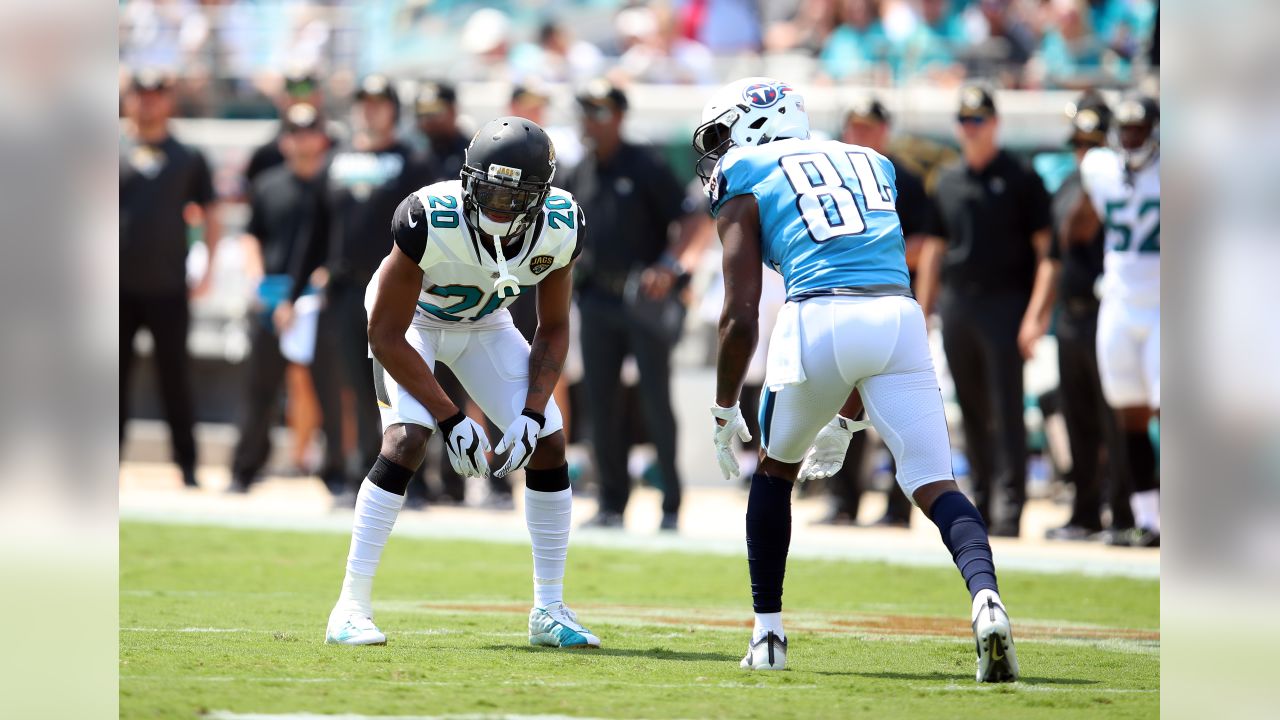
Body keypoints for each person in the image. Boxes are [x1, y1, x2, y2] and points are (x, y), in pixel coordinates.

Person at [697, 76, 1017, 681]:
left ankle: (767, 634)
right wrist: (846, 419)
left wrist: (722, 406)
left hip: (816, 314)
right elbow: (862, 271)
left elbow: (739, 315)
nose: (715, 150)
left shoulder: (743, 170)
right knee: (934, 482)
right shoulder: (871, 160)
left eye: (719, 134)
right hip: (898, 317)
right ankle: (986, 601)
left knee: (774, 472)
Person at [324, 116, 600, 650]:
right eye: (488, 191)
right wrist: (452, 418)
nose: (497, 206)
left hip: (488, 325)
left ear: (540, 197)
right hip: (413, 327)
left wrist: (533, 411)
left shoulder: (561, 225)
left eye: (511, 196)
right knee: (408, 437)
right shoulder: (429, 216)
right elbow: (384, 335)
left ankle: (549, 608)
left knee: (548, 440)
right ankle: (349, 606)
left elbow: (555, 326)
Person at [285, 74, 431, 502]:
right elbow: (315, 233)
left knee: (405, 388)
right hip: (346, 291)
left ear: (394, 109)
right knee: (355, 386)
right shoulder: (337, 160)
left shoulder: (412, 161)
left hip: (399, 293)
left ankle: (414, 482)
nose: (370, 109)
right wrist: (294, 293)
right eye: (363, 101)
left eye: (379, 102)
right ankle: (362, 477)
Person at [916, 86, 1052, 537]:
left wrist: (1035, 312)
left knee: (1007, 406)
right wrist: (924, 306)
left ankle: (1011, 507)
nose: (971, 129)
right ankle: (985, 503)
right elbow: (936, 248)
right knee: (970, 407)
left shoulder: (1020, 177)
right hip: (959, 303)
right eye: (965, 121)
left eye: (979, 120)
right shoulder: (948, 179)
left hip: (1005, 302)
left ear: (994, 124)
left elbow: (1044, 250)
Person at [564, 80, 698, 531]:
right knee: (600, 403)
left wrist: (670, 264)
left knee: (655, 401)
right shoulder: (578, 170)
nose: (590, 122)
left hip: (644, 298)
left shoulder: (645, 164)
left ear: (620, 116)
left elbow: (691, 216)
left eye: (599, 113)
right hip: (596, 297)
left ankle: (671, 503)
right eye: (585, 112)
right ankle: (611, 503)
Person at [815, 96, 944, 528]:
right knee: (839, 405)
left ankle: (896, 507)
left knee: (895, 410)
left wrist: (920, 305)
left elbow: (925, 247)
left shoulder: (902, 177)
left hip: (891, 301)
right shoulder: (831, 176)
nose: (862, 135)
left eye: (870, 127)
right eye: (855, 127)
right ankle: (843, 501)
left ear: (885, 131)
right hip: (844, 299)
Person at [1020, 93, 1133, 540]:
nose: (1085, 152)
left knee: (1118, 418)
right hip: (1071, 316)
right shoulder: (1068, 185)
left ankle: (1125, 514)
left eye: (1093, 142)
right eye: (1080, 143)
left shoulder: (1123, 184)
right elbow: (1053, 257)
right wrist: (1035, 315)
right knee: (1078, 417)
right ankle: (1085, 513)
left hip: (1111, 313)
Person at [228, 104, 345, 495]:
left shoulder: (336, 185)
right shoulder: (268, 184)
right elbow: (252, 235)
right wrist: (257, 280)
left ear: (322, 137)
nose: (302, 139)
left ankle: (336, 474)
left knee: (329, 389)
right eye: (294, 131)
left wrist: (321, 282)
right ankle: (244, 470)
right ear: (284, 139)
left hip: (319, 301)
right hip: (272, 299)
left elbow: (340, 246)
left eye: (310, 130)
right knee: (260, 388)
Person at [120, 68, 221, 488]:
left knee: (175, 377)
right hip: (114, 288)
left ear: (169, 100)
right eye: (140, 93)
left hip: (168, 286)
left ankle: (188, 467)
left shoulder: (188, 156)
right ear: (128, 99)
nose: (148, 101)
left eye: (156, 94)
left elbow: (211, 213)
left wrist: (208, 268)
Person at [1068, 94, 1161, 547]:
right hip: (1121, 302)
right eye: (1125, 130)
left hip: (1167, 303)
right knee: (1129, 410)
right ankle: (1150, 519)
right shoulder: (1101, 169)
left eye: (1139, 131)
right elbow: (1080, 228)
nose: (1131, 139)